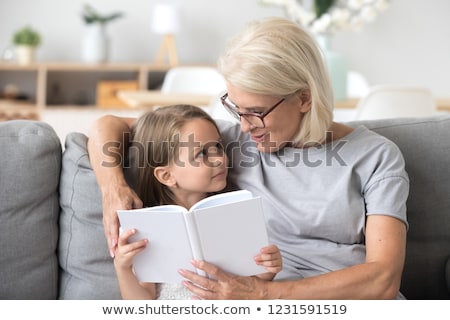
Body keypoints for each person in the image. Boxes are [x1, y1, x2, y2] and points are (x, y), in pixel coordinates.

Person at [88, 17, 409, 299]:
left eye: (256, 112)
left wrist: (262, 294)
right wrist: (112, 187)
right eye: (235, 108)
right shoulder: (227, 143)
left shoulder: (375, 157)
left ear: (303, 98)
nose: (243, 125)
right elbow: (108, 125)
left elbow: (383, 280)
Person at [110, 105, 282, 299]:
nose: (219, 159)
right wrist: (123, 269)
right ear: (167, 175)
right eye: (202, 154)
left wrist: (269, 268)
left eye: (217, 146)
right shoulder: (149, 229)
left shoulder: (234, 213)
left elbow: (254, 283)